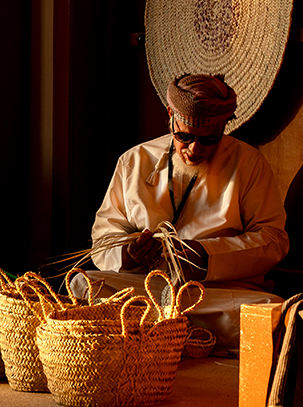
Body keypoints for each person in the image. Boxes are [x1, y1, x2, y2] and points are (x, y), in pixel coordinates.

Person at [70, 73, 289, 356]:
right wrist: (128, 253)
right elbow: (102, 238)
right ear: (170, 114)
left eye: (209, 140)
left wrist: (206, 257)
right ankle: (187, 333)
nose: (195, 149)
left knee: (272, 312)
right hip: (146, 287)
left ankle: (154, 332)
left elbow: (273, 240)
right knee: (83, 285)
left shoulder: (248, 163)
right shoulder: (134, 160)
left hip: (214, 292)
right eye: (184, 137)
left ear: (224, 125)